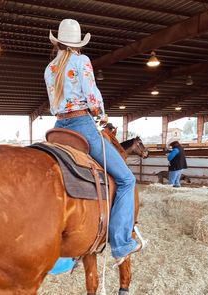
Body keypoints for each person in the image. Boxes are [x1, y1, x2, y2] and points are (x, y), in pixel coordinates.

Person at [44, 19, 141, 265]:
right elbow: (92, 96)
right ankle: (121, 244)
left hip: (58, 127)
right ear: (77, 44)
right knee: (127, 179)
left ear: (57, 42)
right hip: (81, 126)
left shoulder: (50, 68)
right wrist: (101, 114)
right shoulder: (81, 61)